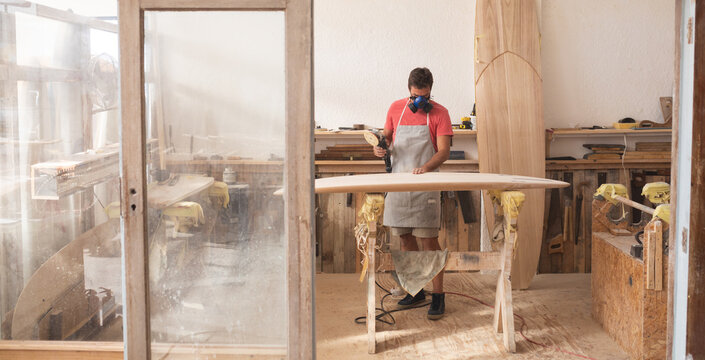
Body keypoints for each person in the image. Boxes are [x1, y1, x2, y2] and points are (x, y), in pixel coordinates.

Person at [373, 67, 453, 320]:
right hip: (398, 184)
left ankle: (438, 296)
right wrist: (379, 148)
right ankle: (414, 290)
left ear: (431, 90)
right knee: (404, 239)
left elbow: (443, 151)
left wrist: (426, 168)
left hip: (425, 185)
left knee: (428, 242)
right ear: (409, 90)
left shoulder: (440, 113)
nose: (421, 100)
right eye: (416, 95)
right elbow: (385, 139)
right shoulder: (396, 108)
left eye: (425, 95)